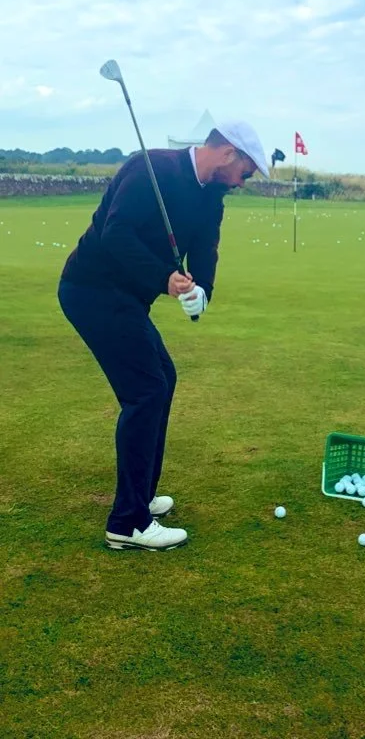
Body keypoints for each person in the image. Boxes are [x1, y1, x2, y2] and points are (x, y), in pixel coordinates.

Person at [58, 122, 269, 550]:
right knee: (146, 392)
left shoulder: (212, 195)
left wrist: (202, 292)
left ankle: (142, 497)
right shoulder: (150, 168)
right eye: (246, 172)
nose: (243, 183)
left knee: (162, 380)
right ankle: (128, 523)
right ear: (229, 153)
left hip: (127, 299)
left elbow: (205, 246)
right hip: (91, 289)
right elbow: (116, 233)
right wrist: (163, 278)